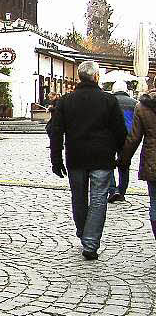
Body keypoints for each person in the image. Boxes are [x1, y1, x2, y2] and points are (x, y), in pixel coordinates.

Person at [46, 60, 127, 260]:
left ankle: (84, 232)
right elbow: (120, 132)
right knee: (99, 200)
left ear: (80, 77)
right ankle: (90, 243)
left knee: (79, 198)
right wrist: (120, 156)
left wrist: (56, 159)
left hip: (76, 157)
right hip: (102, 157)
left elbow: (55, 132)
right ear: (96, 77)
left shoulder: (66, 101)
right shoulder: (108, 101)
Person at [120, 88, 156, 240]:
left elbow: (134, 138)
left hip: (152, 162)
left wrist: (124, 160)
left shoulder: (142, 106)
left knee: (154, 202)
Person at [107, 80, 136, 203]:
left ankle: (112, 189)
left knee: (108, 164)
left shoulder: (107, 101)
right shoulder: (134, 103)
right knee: (124, 165)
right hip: (128, 138)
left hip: (110, 137)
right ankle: (122, 191)